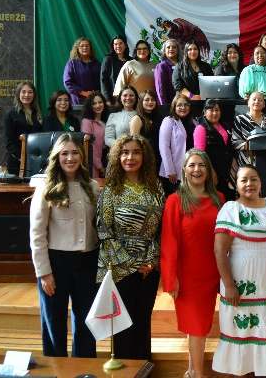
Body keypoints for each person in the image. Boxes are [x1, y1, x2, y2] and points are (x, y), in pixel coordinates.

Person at [29, 134, 99, 357]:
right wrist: (44, 272)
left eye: (75, 152)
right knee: (54, 322)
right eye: (64, 153)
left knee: (87, 321)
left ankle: (84, 368)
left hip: (88, 262)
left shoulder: (93, 187)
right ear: (56, 157)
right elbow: (37, 234)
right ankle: (56, 369)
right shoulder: (46, 188)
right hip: (56, 264)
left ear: (82, 155)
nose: (70, 158)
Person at [213, 165, 266, 377]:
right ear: (236, 185)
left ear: (261, 182)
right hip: (241, 288)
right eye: (243, 180)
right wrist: (229, 286)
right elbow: (219, 250)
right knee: (242, 334)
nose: (249, 184)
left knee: (263, 330)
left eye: (253, 179)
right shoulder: (231, 210)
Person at [96, 134, 164, 361]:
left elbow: (162, 228)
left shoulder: (156, 188)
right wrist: (133, 263)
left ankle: (144, 370)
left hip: (149, 269)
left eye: (136, 152)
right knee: (123, 325)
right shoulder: (110, 190)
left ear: (145, 156)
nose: (130, 157)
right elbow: (105, 232)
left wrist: (152, 260)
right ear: (117, 157)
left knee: (143, 322)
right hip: (120, 268)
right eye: (124, 152)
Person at [161, 149, 225, 378]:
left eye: (201, 165)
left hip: (213, 274)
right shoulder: (174, 201)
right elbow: (169, 241)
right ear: (184, 171)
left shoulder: (219, 199)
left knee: (200, 326)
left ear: (208, 171)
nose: (196, 170)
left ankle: (190, 370)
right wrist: (170, 278)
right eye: (191, 165)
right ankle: (198, 374)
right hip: (188, 276)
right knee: (197, 327)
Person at [193, 99, 234, 199]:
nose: (214, 113)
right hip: (212, 172)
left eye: (217, 110)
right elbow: (200, 155)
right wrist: (211, 172)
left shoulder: (224, 126)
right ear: (204, 112)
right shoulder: (201, 129)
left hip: (225, 172)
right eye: (211, 110)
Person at [159, 94, 196, 195]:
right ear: (174, 107)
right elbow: (164, 147)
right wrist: (170, 170)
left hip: (192, 169)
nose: (183, 108)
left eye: (186, 105)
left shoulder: (195, 121)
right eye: (179, 105)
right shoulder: (168, 121)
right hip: (174, 171)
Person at [4, 81, 43, 174]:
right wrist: (22, 157)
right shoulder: (11, 114)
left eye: (30, 92)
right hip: (17, 161)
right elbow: (9, 142)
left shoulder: (38, 114)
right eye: (23, 92)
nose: (27, 95)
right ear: (18, 94)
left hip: (36, 160)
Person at [232, 92, 266, 169]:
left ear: (264, 104)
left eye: (260, 100)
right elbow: (235, 142)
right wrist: (253, 144)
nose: (257, 102)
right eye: (254, 99)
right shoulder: (240, 119)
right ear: (248, 103)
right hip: (246, 162)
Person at [130, 90, 162, 175]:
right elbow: (134, 142)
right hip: (145, 157)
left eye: (153, 100)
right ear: (141, 102)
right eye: (147, 100)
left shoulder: (158, 117)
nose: (150, 102)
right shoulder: (137, 118)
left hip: (159, 156)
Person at [63, 37, 101, 106]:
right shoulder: (72, 64)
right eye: (82, 46)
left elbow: (102, 80)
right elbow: (68, 83)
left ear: (90, 48)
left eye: (87, 46)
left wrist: (98, 91)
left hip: (96, 101)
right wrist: (84, 93)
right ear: (77, 48)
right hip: (79, 102)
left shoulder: (96, 63)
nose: (85, 48)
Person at [81, 93, 110, 178]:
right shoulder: (87, 121)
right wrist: (99, 166)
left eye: (100, 102)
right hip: (94, 160)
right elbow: (90, 145)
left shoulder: (107, 120)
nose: (98, 105)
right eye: (94, 103)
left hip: (107, 157)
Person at [101, 34, 133, 104]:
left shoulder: (131, 61)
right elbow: (103, 80)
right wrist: (107, 100)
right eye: (115, 44)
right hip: (113, 99)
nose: (118, 46)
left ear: (125, 45)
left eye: (120, 44)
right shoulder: (108, 59)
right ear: (113, 46)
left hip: (130, 98)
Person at [154, 39, 181, 106]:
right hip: (167, 105)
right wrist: (165, 107)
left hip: (182, 105)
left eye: (174, 47)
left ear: (178, 50)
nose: (171, 49)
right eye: (168, 47)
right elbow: (161, 89)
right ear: (164, 51)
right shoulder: (161, 66)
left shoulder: (182, 66)